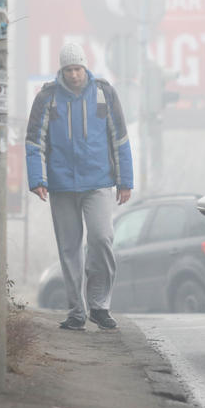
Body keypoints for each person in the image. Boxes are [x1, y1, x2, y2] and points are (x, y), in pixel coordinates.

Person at [25, 42, 133, 330]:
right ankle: (76, 311)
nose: (73, 75)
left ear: (85, 67)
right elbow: (34, 140)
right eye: (68, 69)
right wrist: (38, 179)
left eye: (78, 68)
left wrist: (125, 182)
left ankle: (99, 305)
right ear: (61, 70)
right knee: (69, 248)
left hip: (98, 183)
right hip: (61, 186)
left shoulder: (103, 93)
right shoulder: (47, 97)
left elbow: (120, 138)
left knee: (101, 239)